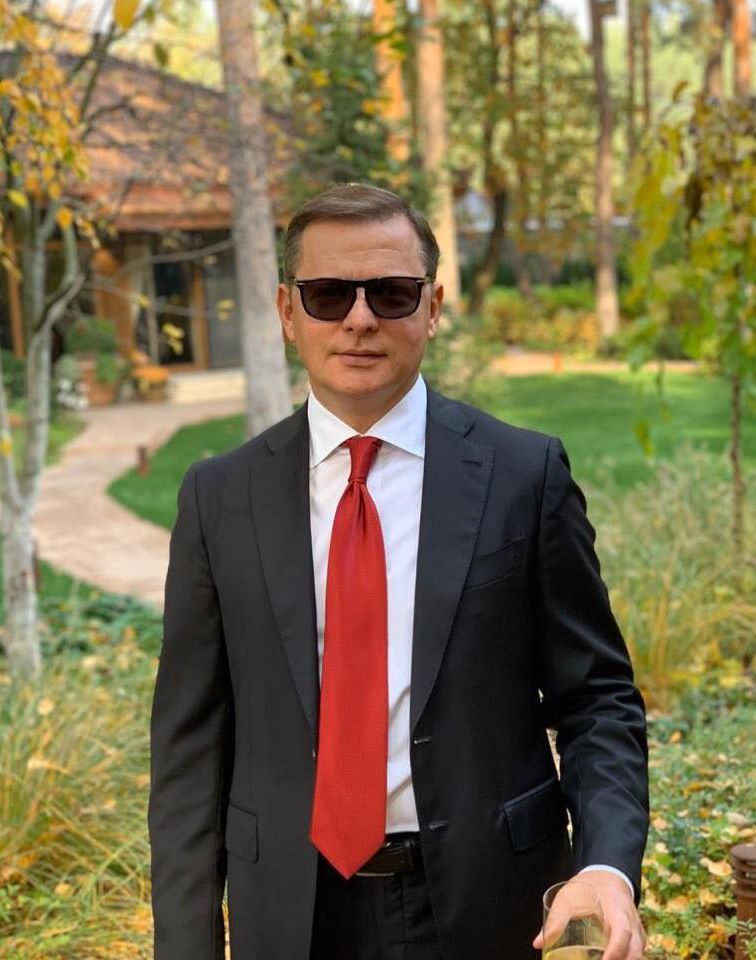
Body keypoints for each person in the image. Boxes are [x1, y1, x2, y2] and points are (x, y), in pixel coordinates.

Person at [148, 183, 649, 960]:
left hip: (493, 908)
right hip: (291, 914)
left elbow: (597, 699)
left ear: (433, 307)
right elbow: (189, 754)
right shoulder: (220, 497)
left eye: (390, 293)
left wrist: (607, 865)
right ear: (287, 312)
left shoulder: (524, 476)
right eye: (328, 294)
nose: (359, 319)